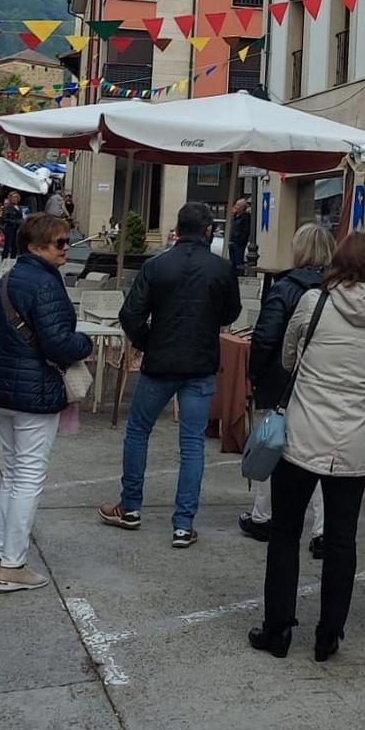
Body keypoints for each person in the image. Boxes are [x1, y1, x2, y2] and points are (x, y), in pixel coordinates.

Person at [248, 231, 365, 663]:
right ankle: (329, 634)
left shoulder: (314, 303)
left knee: (285, 534)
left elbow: (289, 357)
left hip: (303, 436)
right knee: (341, 542)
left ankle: (277, 629)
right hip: (353, 444)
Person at [100, 200, 241, 547]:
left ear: (178, 230)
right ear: (209, 231)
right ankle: (183, 523)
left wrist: (149, 341)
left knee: (138, 431)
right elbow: (232, 312)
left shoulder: (156, 265)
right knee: (192, 444)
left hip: (161, 361)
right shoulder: (221, 269)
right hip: (200, 363)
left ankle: (130, 506)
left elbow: (130, 314)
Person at [0, 212, 93, 593]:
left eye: (66, 241)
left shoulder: (9, 278)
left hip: (1, 388)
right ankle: (12, 563)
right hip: (33, 391)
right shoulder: (45, 284)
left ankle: (1, 557)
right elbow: (59, 342)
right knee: (27, 476)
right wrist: (85, 344)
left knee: (13, 474)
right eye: (59, 243)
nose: (66, 248)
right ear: (35, 246)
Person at [240, 222, 336, 548]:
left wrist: (255, 375)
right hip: (323, 382)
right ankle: (322, 529)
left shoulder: (284, 287)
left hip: (284, 380)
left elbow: (265, 337)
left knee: (273, 444)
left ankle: (262, 516)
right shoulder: (337, 289)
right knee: (319, 455)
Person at [0, 191, 25, 263]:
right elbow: (4, 219)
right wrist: (15, 221)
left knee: (15, 247)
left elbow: (21, 216)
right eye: (13, 197)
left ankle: (12, 262)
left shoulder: (19, 207)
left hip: (17, 229)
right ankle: (3, 262)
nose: (15, 199)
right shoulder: (7, 208)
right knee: (7, 246)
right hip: (9, 229)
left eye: (16, 197)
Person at [229, 195, 254, 267]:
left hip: (239, 243)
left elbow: (246, 231)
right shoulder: (236, 216)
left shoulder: (245, 217)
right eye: (236, 204)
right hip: (233, 242)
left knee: (238, 263)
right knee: (232, 263)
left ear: (242, 207)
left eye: (238, 205)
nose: (235, 206)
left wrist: (240, 241)